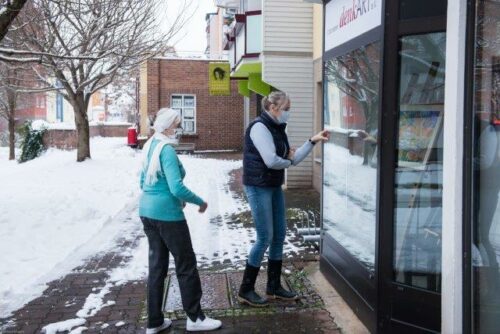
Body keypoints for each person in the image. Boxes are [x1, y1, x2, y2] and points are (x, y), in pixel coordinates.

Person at [238, 91, 330, 307]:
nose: (289, 112)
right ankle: (246, 289)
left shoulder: (277, 128)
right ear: (273, 108)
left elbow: (292, 158)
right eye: (286, 108)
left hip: (273, 185)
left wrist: (312, 141)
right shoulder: (259, 127)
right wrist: (287, 161)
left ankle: (273, 287)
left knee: (279, 235)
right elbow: (272, 160)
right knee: (265, 237)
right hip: (258, 186)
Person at [139, 108, 222, 333]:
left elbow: (143, 182)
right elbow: (176, 187)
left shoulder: (150, 146)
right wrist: (199, 201)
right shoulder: (165, 150)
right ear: (166, 127)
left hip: (147, 212)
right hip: (167, 217)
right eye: (176, 124)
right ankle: (195, 318)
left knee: (157, 266)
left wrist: (169, 198)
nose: (179, 129)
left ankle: (154, 321)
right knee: (186, 264)